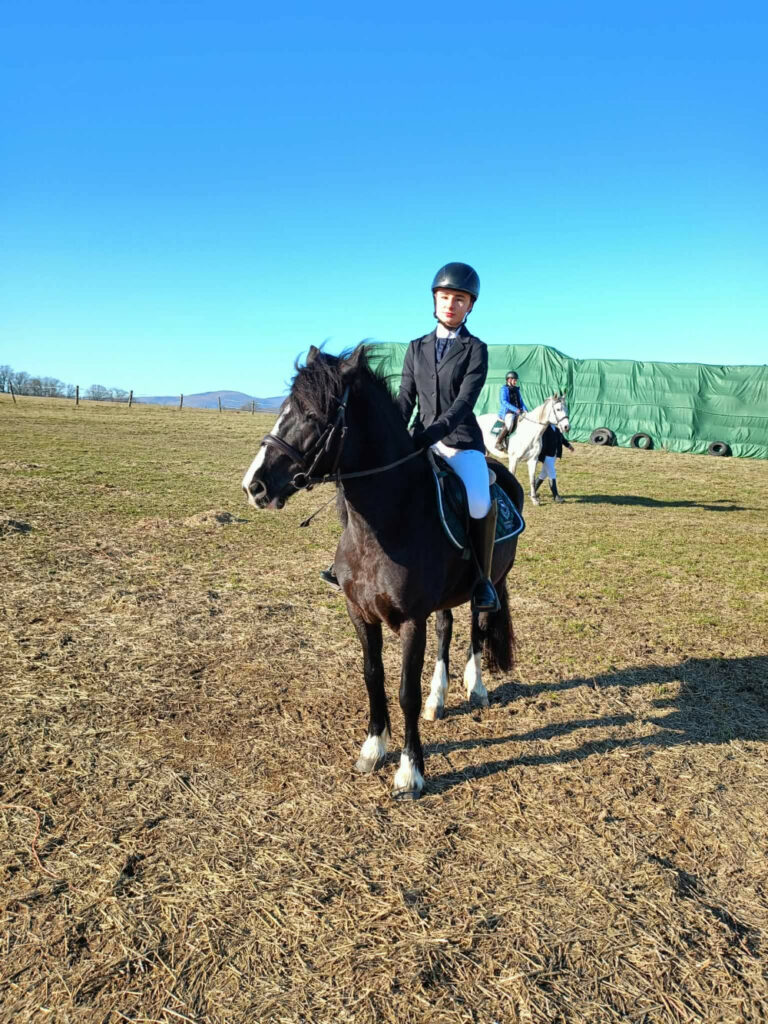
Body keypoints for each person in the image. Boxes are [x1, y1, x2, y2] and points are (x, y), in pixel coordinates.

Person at [322, 261, 499, 613]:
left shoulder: (476, 349)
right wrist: (393, 436)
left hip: (460, 442)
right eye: (445, 297)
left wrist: (433, 433)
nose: (451, 304)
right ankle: (346, 561)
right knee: (371, 485)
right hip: (417, 441)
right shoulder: (416, 347)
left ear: (470, 306)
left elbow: (464, 403)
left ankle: (482, 580)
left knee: (479, 501)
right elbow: (405, 399)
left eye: (460, 299)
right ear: (435, 300)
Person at [534, 423, 574, 502]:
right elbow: (541, 442)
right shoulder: (545, 428)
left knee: (544, 474)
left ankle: (532, 491)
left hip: (554, 455)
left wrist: (568, 445)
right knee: (552, 473)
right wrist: (540, 455)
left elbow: (561, 438)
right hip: (546, 455)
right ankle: (556, 496)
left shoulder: (556, 428)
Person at [494, 371, 527, 452]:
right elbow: (504, 402)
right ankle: (498, 442)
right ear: (509, 380)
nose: (515, 382)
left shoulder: (516, 390)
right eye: (514, 380)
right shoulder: (504, 389)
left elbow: (521, 401)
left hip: (518, 412)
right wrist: (515, 409)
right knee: (509, 424)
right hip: (508, 412)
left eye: (516, 380)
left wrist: (525, 410)